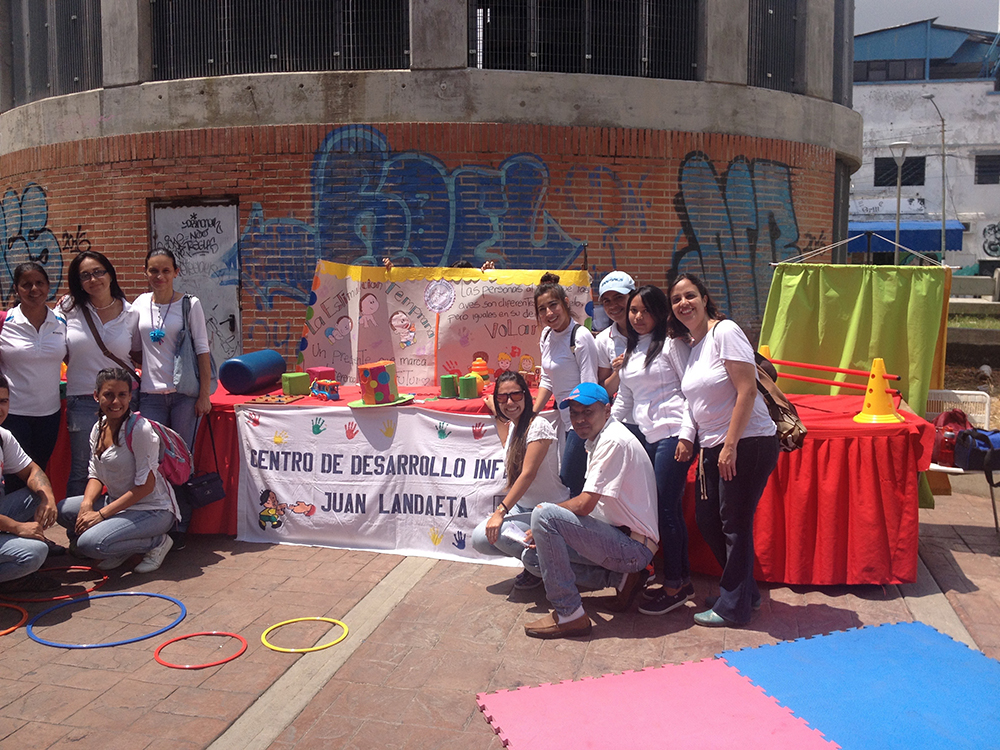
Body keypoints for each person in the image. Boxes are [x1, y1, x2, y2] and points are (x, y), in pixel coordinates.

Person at [668, 273, 778, 628]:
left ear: (704, 298)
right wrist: (692, 437)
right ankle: (744, 591)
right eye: (676, 299)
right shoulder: (694, 345)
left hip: (747, 442)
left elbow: (747, 391)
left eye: (690, 296)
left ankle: (734, 607)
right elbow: (694, 401)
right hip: (713, 447)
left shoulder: (725, 332)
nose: (683, 303)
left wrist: (730, 445)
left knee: (734, 523)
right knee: (708, 519)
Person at [521, 383, 658, 639]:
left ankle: (569, 614)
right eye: (574, 413)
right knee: (533, 559)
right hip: (619, 538)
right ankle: (622, 581)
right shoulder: (600, 437)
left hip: (633, 547)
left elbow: (585, 504)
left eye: (587, 412)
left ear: (607, 411)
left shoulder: (613, 440)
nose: (580, 419)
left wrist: (545, 524)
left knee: (544, 515)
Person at [611, 285, 696, 617]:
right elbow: (626, 401)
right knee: (655, 509)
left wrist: (688, 436)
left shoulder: (674, 346)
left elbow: (692, 393)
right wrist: (607, 435)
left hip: (674, 434)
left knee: (666, 509)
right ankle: (670, 574)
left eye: (645, 311)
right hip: (646, 438)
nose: (637, 316)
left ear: (661, 313)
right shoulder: (631, 353)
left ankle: (677, 582)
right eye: (633, 310)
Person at [57, 368, 179, 573]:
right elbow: (95, 474)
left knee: (89, 544)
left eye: (122, 395)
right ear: (96, 396)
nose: (116, 402)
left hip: (152, 510)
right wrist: (87, 506)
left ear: (130, 396)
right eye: (109, 395)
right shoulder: (98, 427)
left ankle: (156, 542)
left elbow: (146, 487)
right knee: (64, 511)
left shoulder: (140, 430)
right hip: (117, 503)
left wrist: (101, 515)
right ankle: (120, 543)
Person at [471, 371, 570, 589]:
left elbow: (528, 473)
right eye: (502, 397)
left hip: (548, 510)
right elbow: (507, 439)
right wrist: (496, 411)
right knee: (480, 539)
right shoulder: (515, 426)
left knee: (514, 547)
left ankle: (541, 565)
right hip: (524, 509)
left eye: (516, 395)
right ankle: (537, 562)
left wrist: (501, 511)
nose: (510, 402)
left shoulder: (539, 426)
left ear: (526, 395)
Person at [59, 250, 141, 497]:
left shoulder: (131, 313)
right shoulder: (67, 308)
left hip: (123, 401)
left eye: (98, 272)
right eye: (85, 275)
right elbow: (60, 349)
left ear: (110, 274)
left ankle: (122, 521)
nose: (93, 279)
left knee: (127, 465)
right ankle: (78, 528)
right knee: (82, 471)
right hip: (83, 399)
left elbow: (136, 355)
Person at [135, 248, 212, 451]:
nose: (159, 276)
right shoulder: (140, 303)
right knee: (151, 454)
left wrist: (204, 395)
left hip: (184, 395)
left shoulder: (190, 304)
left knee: (182, 454)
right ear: (145, 271)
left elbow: (202, 350)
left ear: (176, 272)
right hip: (150, 395)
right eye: (153, 270)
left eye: (166, 271)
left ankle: (182, 485)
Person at [0, 262, 67, 491]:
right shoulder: (5, 322)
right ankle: (12, 526)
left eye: (39, 283)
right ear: (17, 289)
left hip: (49, 415)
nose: (34, 289)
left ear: (49, 286)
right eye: (26, 284)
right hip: (12, 416)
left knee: (39, 475)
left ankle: (30, 525)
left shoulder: (61, 321)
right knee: (13, 479)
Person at [532, 273, 599, 497]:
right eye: (542, 309)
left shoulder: (580, 337)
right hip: (563, 422)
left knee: (571, 481)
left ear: (566, 304)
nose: (549, 313)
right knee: (569, 483)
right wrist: (532, 413)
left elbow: (590, 385)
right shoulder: (546, 336)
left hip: (581, 422)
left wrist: (580, 423)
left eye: (553, 305)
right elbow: (548, 379)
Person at [0, 374, 61, 593]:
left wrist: (49, 499)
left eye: (3, 401)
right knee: (33, 553)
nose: (0, 408)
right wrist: (18, 528)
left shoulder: (3, 436)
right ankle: (11, 580)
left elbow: (32, 470)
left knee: (37, 495)